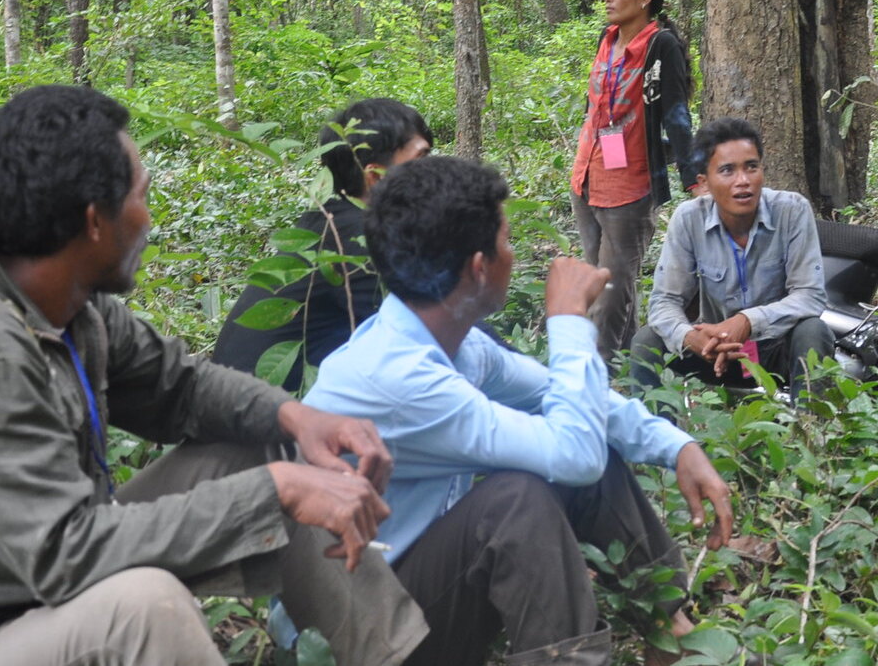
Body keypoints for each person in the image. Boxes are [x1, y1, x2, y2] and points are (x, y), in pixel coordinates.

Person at [0, 85, 427, 666]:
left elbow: (182, 387)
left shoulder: (63, 305)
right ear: (95, 221)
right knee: (143, 608)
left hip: (23, 585)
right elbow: (65, 552)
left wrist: (296, 417)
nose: (149, 218)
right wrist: (278, 490)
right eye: (143, 196)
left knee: (256, 449)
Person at [301, 155, 735, 666]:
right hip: (354, 630)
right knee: (517, 500)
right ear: (479, 267)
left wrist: (676, 445)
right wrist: (569, 321)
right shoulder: (399, 376)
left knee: (574, 437)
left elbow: (567, 401)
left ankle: (674, 631)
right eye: (507, 242)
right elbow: (574, 454)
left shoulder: (450, 342)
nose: (516, 253)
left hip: (406, 578)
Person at [213, 97, 433, 390]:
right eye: (422, 162)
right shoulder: (358, 237)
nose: (435, 174)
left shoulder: (331, 221)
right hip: (262, 420)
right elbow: (425, 339)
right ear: (375, 177)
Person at [631, 118, 832, 392]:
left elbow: (810, 295)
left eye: (751, 167)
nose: (743, 181)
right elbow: (664, 301)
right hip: (712, 351)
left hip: (775, 347)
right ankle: (656, 435)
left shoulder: (792, 210)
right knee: (647, 342)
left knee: (813, 332)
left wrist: (747, 321)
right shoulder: (689, 220)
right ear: (704, 183)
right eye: (727, 170)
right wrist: (690, 337)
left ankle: (813, 429)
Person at [571, 0, 698, 358]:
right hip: (588, 174)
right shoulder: (607, 38)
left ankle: (598, 376)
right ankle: (632, 364)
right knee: (607, 285)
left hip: (631, 185)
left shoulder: (661, 45)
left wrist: (693, 178)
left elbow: (677, 115)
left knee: (609, 292)